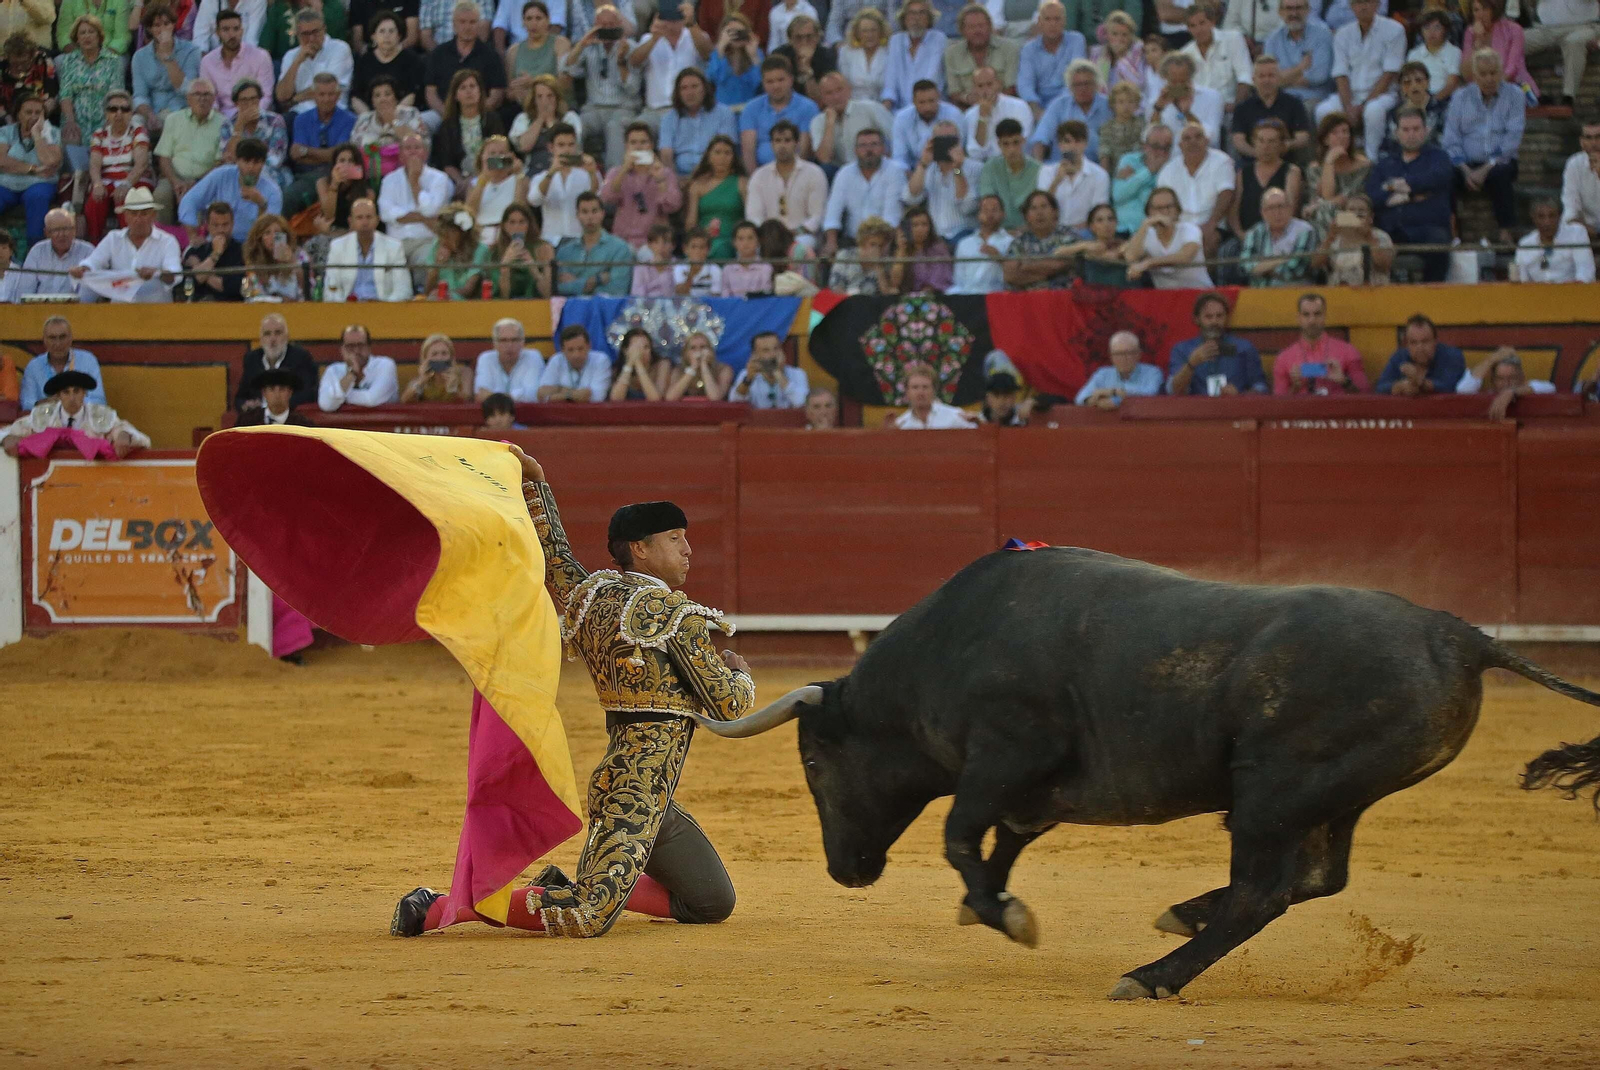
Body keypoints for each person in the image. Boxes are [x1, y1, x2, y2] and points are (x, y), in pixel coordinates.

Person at [394, 440, 757, 941]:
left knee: (711, 901)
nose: (688, 549)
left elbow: (556, 560)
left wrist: (535, 485)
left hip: (640, 791)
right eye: (674, 538)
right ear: (641, 549)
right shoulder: (674, 615)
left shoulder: (592, 599)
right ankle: (439, 907)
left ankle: (566, 885)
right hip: (636, 793)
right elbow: (730, 706)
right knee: (587, 915)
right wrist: (738, 672)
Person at [1442, 47, 1524, 246]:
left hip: (1499, 161)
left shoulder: (1515, 95)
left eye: (1494, 73)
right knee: (1444, 175)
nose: (1489, 79)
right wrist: (1466, 169)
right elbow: (1451, 138)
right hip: (1465, 163)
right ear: (1474, 76)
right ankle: (1452, 233)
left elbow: (1512, 139)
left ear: (1501, 72)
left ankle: (1505, 232)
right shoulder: (1460, 97)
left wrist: (1486, 168)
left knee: (1501, 173)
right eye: (1483, 74)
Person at [1366, 106, 1453, 282]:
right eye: (1405, 130)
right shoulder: (1385, 163)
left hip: (1427, 229)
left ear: (1425, 131)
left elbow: (1437, 178)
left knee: (1439, 242)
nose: (1411, 134)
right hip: (1390, 230)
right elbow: (1372, 195)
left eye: (1416, 129)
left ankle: (1432, 294)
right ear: (1397, 133)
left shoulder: (1439, 158)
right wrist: (1406, 193)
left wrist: (1404, 190)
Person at [1315, 0, 1403, 160]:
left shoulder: (1395, 30)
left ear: (1377, 4)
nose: (1363, 6)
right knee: (1323, 111)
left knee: (1373, 111)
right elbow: (1340, 73)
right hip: (1350, 95)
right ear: (1351, 6)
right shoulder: (1343, 33)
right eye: (1357, 2)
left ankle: (1372, 160)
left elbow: (1389, 73)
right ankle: (1331, 159)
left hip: (1383, 94)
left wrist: (1362, 107)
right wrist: (1349, 106)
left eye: (1368, 2)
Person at [72, 186, 184, 302]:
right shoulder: (113, 238)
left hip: (157, 313)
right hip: (120, 313)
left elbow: (175, 274)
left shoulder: (167, 241)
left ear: (153, 215)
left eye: (144, 214)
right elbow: (94, 262)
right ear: (125, 216)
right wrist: (83, 269)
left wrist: (156, 273)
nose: (138, 219)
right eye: (134, 214)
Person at [1, 371, 150, 458]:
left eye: (77, 391)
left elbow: (142, 439)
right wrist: (7, 438)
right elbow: (5, 432)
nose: (72, 398)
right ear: (59, 395)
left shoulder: (100, 415)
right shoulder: (43, 416)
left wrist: (126, 436)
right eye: (66, 392)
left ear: (84, 393)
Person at [563, 3, 642, 168]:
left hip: (623, 108)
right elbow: (568, 68)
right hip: (593, 108)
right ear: (594, 27)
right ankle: (570, 170)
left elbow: (633, 88)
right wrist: (581, 44)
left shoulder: (631, 48)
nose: (607, 29)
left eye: (611, 25)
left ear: (619, 26)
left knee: (614, 128)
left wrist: (621, 62)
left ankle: (613, 178)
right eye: (602, 25)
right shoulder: (588, 47)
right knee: (573, 126)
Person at [179, 137, 284, 241]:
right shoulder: (221, 175)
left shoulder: (273, 191)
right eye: (246, 161)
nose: (251, 167)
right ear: (237, 161)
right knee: (192, 256)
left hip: (250, 246)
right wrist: (193, 235)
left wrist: (261, 204)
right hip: (217, 241)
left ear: (263, 164)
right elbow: (189, 200)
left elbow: (272, 230)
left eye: (256, 162)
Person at [57, 15, 126, 173]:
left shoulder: (113, 61)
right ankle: (74, 186)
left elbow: (116, 96)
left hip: (105, 118)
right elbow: (65, 94)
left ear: (99, 36)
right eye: (82, 33)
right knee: (69, 137)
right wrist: (70, 121)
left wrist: (110, 123)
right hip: (76, 118)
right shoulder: (68, 61)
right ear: (77, 38)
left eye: (91, 32)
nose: (87, 36)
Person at [1156, 120, 1233, 257]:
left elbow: (1226, 193)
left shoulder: (1221, 161)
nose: (1193, 142)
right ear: (1180, 145)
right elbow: (1162, 202)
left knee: (1210, 240)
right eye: (1187, 138)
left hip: (1213, 224)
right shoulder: (1168, 170)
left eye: (1198, 137)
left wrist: (1212, 223)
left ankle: (1205, 280)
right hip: (1179, 226)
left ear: (1207, 141)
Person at [1167, 292, 1267, 395]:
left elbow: (1261, 387)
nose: (1214, 321)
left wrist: (1240, 396)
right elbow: (1173, 391)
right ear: (1197, 319)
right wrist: (1191, 364)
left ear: (1226, 317)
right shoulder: (1182, 350)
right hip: (1197, 409)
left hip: (1235, 408)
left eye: (1219, 316)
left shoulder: (1244, 348)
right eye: (1208, 317)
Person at [423, 2, 509, 122]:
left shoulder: (490, 55)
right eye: (462, 22)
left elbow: (497, 95)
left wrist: (471, 114)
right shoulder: (438, 54)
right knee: (421, 122)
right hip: (442, 115)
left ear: (479, 24)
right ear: (454, 24)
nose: (467, 27)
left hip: (480, 115)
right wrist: (447, 115)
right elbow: (430, 93)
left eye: (472, 22)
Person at [747, 119, 828, 246]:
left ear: (796, 143)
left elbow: (817, 216)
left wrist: (793, 233)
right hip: (769, 237)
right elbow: (754, 216)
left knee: (800, 247)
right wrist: (771, 234)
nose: (782, 146)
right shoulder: (759, 176)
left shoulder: (814, 173)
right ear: (772, 144)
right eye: (778, 141)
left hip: (803, 236)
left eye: (787, 140)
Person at [599, 122, 681, 247]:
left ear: (652, 145)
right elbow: (606, 198)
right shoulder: (616, 172)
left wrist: (660, 180)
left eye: (643, 142)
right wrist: (624, 170)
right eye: (633, 143)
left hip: (654, 243)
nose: (638, 147)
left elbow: (673, 206)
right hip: (623, 241)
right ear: (626, 146)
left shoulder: (666, 173)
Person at [431, 67, 508, 196]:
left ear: (480, 91)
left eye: (472, 86)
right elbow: (446, 163)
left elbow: (502, 155)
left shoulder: (493, 119)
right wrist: (461, 181)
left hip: (490, 174)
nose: (469, 91)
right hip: (459, 180)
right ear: (455, 95)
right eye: (463, 87)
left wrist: (478, 178)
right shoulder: (448, 126)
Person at [381, 131, 457, 263]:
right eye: (408, 148)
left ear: (426, 154)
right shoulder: (389, 180)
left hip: (426, 241)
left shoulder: (439, 178)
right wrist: (422, 218)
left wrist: (414, 181)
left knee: (426, 263)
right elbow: (386, 213)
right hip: (395, 242)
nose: (412, 152)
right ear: (400, 155)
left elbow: (430, 210)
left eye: (417, 148)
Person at [1271, 291, 1367, 394]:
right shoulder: (1283, 359)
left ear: (1324, 316)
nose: (1312, 320)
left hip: (1338, 409)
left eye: (1317, 314)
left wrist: (1344, 381)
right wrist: (1295, 387)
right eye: (1306, 315)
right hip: (1301, 409)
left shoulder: (1348, 352)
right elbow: (1279, 405)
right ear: (1298, 318)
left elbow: (1366, 396)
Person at [323, 195, 414, 300]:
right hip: (347, 310)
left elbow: (403, 289)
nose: (365, 222)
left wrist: (385, 308)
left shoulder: (394, 247)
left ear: (377, 220)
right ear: (350, 221)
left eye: (369, 217)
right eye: (359, 217)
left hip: (382, 310)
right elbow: (331, 288)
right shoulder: (337, 246)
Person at [0, 92, 61, 248]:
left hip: (40, 184)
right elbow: (1, 161)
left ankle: (35, 252)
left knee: (37, 197)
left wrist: (37, 135)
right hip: (7, 184)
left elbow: (51, 162)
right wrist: (33, 169)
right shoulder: (6, 132)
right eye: (28, 112)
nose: (34, 116)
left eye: (38, 112)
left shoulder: (52, 132)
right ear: (18, 115)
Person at [133, 4, 204, 134]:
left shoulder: (191, 51)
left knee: (172, 119)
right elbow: (140, 95)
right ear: (150, 28)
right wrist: (149, 115)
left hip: (181, 109)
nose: (162, 29)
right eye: (157, 25)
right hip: (153, 110)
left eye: (166, 24)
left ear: (173, 25)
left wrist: (168, 57)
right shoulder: (140, 56)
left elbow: (188, 90)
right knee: (135, 123)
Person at [1124, 184, 1212, 289]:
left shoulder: (1190, 229)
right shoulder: (1146, 234)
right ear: (1149, 211)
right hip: (1165, 297)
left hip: (1198, 293)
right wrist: (1145, 225)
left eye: (1169, 207)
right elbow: (1130, 256)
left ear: (1177, 210)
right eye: (1158, 208)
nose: (1165, 212)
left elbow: (1185, 256)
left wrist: (1148, 263)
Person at [527, 122, 601, 242]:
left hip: (580, 239)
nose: (567, 150)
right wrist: (551, 173)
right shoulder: (540, 177)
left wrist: (592, 173)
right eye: (561, 145)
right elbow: (534, 200)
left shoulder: (588, 173)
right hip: (551, 240)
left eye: (571, 145)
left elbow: (597, 198)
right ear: (551, 148)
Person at [659, 68, 737, 180]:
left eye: (694, 86)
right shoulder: (669, 118)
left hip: (715, 176)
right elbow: (666, 154)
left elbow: (726, 150)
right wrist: (674, 181)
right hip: (680, 177)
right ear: (678, 93)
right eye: (684, 88)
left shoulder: (724, 113)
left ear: (705, 89)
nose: (689, 93)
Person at [1302, 111, 1369, 240]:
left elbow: (1342, 199)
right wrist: (1329, 162)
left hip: (1355, 217)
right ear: (1325, 139)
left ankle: (1330, 253)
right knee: (1321, 213)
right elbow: (1323, 197)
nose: (1342, 136)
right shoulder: (1315, 169)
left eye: (1345, 131)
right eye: (1335, 133)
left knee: (1324, 211)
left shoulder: (1363, 166)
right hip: (1326, 217)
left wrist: (1321, 205)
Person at [1230, 55, 1311, 161]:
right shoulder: (1242, 108)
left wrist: (1285, 146)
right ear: (1254, 80)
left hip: (1286, 164)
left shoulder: (1294, 104)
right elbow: (1238, 141)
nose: (1266, 80)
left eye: (1271, 76)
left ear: (1279, 78)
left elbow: (1303, 137)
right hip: (1251, 164)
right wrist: (1259, 154)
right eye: (1262, 76)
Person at [277, 8, 355, 115]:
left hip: (333, 110)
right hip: (299, 113)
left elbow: (326, 88)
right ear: (297, 34)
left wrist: (295, 99)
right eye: (305, 34)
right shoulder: (291, 55)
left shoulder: (339, 49)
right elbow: (282, 96)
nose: (311, 38)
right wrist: (297, 62)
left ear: (324, 29)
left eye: (315, 32)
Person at [220, 79, 294, 193]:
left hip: (270, 172)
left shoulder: (275, 121)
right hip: (239, 172)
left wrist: (249, 167)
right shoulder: (227, 125)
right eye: (244, 100)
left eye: (253, 99)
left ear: (259, 100)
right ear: (236, 103)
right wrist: (239, 127)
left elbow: (275, 159)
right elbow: (229, 158)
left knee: (261, 176)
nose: (249, 104)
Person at [1523, 0, 1599, 109]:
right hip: (1545, 28)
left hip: (1584, 26)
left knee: (1574, 42)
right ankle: (1526, 93)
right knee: (1515, 40)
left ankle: (1568, 97)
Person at [20, 316, 106, 412]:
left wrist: (67, 401)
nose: (58, 343)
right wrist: (49, 403)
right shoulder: (33, 366)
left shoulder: (88, 360)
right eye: (52, 338)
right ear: (44, 340)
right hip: (47, 422)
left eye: (62, 337)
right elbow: (27, 403)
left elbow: (99, 401)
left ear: (71, 338)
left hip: (82, 421)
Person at [236, 311, 319, 412]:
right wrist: (246, 404)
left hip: (289, 418)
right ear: (261, 339)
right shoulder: (252, 359)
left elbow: (308, 394)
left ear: (287, 336)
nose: (273, 339)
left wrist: (274, 407)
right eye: (267, 334)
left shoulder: (301, 357)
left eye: (278, 333)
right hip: (259, 420)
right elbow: (239, 398)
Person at [1232, 118, 1302, 237]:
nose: (1266, 146)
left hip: (1279, 236)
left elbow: (1291, 209)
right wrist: (1240, 233)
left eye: (1272, 141)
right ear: (1254, 142)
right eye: (1261, 141)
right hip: (1246, 236)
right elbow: (1234, 210)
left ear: (1281, 145)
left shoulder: (1291, 172)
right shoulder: (1242, 173)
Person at [1030, 59, 1111, 161]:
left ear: (1096, 85)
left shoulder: (1109, 105)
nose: (1082, 88)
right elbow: (1041, 138)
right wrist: (1038, 170)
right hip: (1061, 167)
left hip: (1097, 169)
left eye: (1087, 84)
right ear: (1070, 87)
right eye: (1077, 85)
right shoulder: (1058, 105)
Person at [1179, 1, 1253, 110]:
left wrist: (1236, 108)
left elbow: (1245, 77)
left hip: (1231, 109)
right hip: (1199, 113)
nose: (1198, 30)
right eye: (1193, 26)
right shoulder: (1185, 54)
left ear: (1212, 22)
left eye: (1202, 23)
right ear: (1188, 29)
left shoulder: (1233, 39)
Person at [202, 9, 278, 115]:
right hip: (221, 118)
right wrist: (219, 118)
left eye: (236, 29)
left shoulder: (260, 56)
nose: (232, 35)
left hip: (256, 115)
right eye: (226, 29)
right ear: (217, 33)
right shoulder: (207, 61)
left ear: (242, 31)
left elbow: (266, 97)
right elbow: (210, 97)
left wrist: (246, 115)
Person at [685, 134, 748, 259]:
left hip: (733, 241)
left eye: (727, 153)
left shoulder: (741, 183)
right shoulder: (697, 186)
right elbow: (691, 223)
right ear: (709, 156)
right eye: (717, 152)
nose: (722, 157)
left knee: (720, 248)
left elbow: (749, 217)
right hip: (703, 241)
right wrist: (703, 233)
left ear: (733, 157)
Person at [943, 4, 1019, 109]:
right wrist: (969, 99)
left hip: (1004, 107)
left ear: (990, 26)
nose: (977, 31)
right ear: (962, 30)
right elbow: (954, 93)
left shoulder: (1009, 49)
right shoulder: (952, 53)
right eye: (971, 27)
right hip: (967, 109)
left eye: (981, 25)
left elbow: (1011, 88)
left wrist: (991, 102)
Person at [1038, 119, 1109, 229]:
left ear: (1085, 144)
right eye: (1067, 141)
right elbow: (1040, 209)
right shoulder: (1046, 172)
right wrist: (1056, 182)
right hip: (1051, 232)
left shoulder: (1100, 175)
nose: (1072, 146)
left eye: (1078, 141)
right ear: (1060, 145)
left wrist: (1071, 232)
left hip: (1086, 233)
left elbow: (1098, 214)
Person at [1264, 0, 1335, 108]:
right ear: (1280, 12)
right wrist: (1301, 68)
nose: (1294, 13)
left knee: (1305, 110)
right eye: (1289, 9)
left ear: (1308, 10)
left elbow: (1319, 76)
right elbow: (1269, 79)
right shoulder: (1272, 40)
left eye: (1298, 8)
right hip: (1281, 99)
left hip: (1313, 98)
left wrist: (1283, 79)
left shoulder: (1322, 36)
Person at [1312, 191, 1394, 284]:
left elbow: (1384, 266)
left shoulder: (1380, 236)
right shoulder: (1335, 239)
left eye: (1361, 211)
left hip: (1374, 292)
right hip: (1338, 292)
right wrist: (1330, 237)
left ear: (1371, 217)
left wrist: (1369, 237)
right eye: (1351, 210)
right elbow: (1316, 264)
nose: (1356, 214)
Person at [1003, 189, 1079, 289]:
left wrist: (1025, 266)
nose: (1039, 213)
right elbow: (1010, 276)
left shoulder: (1068, 234)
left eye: (1044, 206)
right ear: (1026, 216)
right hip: (1029, 300)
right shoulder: (1019, 242)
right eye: (1033, 208)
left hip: (1063, 297)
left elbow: (1060, 264)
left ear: (1055, 212)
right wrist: (1050, 273)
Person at [1374, 313, 1465, 396]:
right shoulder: (1399, 357)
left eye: (1425, 341)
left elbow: (1451, 386)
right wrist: (1401, 386)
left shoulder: (1452, 356)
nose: (1420, 348)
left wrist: (1420, 382)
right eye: (1413, 343)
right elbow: (1380, 387)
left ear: (1435, 341)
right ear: (1407, 344)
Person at [509, 73, 582, 175]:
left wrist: (551, 121)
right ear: (533, 100)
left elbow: (575, 145)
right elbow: (524, 146)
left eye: (550, 96)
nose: (545, 101)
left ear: (557, 98)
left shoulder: (570, 117)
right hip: (534, 172)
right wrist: (540, 119)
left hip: (566, 170)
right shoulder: (523, 119)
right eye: (539, 97)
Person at [353, 11, 427, 111]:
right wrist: (369, 117)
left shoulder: (411, 60)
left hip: (403, 114)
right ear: (373, 36)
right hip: (370, 116)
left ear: (399, 36)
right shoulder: (365, 60)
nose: (387, 36)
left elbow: (413, 94)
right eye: (382, 31)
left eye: (391, 31)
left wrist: (391, 117)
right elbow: (356, 96)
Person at [1146, 52, 1224, 148]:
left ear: (1191, 76)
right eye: (1173, 82)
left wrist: (1187, 113)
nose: (1179, 86)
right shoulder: (1155, 102)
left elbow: (1212, 139)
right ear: (1165, 78)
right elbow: (1148, 139)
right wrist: (1158, 110)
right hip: (1170, 159)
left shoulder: (1212, 97)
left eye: (1183, 81)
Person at [476, 199, 553, 296]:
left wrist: (534, 269)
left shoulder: (544, 248)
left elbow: (548, 294)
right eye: (512, 222)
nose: (517, 227)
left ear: (529, 224)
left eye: (522, 222)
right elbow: (503, 296)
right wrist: (505, 267)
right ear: (504, 226)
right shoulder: (494, 251)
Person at [1457, 345, 1556, 420]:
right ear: (1493, 380)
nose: (1506, 383)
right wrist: (1491, 360)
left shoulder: (1526, 390)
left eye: (1512, 378)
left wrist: (1512, 392)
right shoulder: (1488, 393)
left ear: (1522, 378)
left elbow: (1549, 387)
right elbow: (1463, 390)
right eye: (1500, 379)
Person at [503, 0, 571, 109]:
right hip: (524, 106)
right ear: (523, 22)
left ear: (548, 20)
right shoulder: (513, 51)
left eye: (538, 18)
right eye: (529, 19)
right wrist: (517, 93)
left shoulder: (560, 44)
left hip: (555, 106)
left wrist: (533, 82)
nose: (533, 23)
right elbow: (508, 91)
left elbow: (565, 83)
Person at [317, 322, 400, 409]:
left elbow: (372, 400)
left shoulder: (385, 365)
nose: (356, 351)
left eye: (361, 345)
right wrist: (352, 374)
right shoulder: (333, 370)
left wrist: (338, 397)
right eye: (350, 346)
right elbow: (326, 405)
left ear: (369, 347)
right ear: (342, 350)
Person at [1514, 196, 1596, 283]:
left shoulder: (1576, 233)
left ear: (1559, 216)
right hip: (1537, 294)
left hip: (1572, 292)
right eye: (1541, 217)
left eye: (1552, 216)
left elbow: (1585, 272)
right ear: (1533, 218)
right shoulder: (1525, 244)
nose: (1547, 222)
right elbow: (1521, 281)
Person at [974, 117, 1037, 230]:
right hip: (998, 231)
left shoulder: (1038, 169)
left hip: (1031, 231)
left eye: (1015, 142)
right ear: (999, 144)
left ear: (1023, 140)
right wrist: (957, 170)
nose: (1011, 149)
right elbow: (988, 203)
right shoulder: (990, 167)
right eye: (1006, 144)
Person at [1074, 330, 1163, 408]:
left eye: (1129, 353)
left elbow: (1150, 395)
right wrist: (1097, 401)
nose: (1123, 358)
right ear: (1111, 356)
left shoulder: (1153, 372)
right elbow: (1080, 398)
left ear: (1139, 354)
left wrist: (1113, 394)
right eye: (1118, 354)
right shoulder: (1103, 373)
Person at [1111, 122, 1173, 233]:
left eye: (1166, 147)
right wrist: (1149, 171)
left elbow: (1153, 202)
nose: (1161, 152)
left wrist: (1134, 179)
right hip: (1123, 229)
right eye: (1156, 146)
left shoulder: (1173, 168)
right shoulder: (1129, 160)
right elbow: (1118, 195)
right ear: (1145, 146)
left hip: (1154, 231)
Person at [179, 200, 248, 300]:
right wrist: (215, 255)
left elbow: (235, 287)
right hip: (199, 309)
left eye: (225, 225)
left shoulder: (243, 252)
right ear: (208, 226)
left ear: (232, 224)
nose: (220, 230)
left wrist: (199, 268)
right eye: (215, 225)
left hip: (232, 309)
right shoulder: (195, 251)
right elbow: (190, 284)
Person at [19, 209, 94, 298]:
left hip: (76, 308)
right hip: (40, 308)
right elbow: (25, 290)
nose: (62, 234)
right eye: (56, 230)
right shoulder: (37, 251)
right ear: (47, 233)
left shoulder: (88, 251)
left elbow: (90, 292)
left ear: (74, 230)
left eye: (67, 229)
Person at [964, 65, 1031, 165]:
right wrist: (983, 117)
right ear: (974, 89)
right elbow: (975, 152)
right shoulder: (970, 115)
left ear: (998, 84)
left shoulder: (1019, 106)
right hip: (985, 167)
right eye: (980, 86)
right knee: (958, 170)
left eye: (989, 84)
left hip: (1017, 162)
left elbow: (1021, 141)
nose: (985, 90)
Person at [1378, 60, 1446, 157]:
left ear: (1428, 82)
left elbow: (1443, 143)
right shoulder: (1393, 113)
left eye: (1418, 80)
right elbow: (1387, 146)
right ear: (1402, 87)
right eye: (1407, 82)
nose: (1414, 86)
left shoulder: (1441, 109)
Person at [473, 316, 547, 400]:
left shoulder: (533, 357)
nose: (509, 345)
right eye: (503, 340)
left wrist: (495, 398)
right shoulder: (486, 359)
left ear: (522, 342)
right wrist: (516, 396)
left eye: (514, 340)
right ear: (495, 344)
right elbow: (481, 395)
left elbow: (532, 394)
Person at [352, 75, 428, 155]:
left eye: (387, 94)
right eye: (377, 96)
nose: (382, 99)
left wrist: (394, 121)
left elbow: (423, 146)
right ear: (373, 101)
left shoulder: (411, 114)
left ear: (396, 98)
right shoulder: (364, 119)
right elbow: (355, 150)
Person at [537, 322, 613, 401]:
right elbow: (542, 394)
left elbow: (597, 398)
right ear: (562, 350)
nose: (576, 355)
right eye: (570, 350)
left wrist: (558, 392)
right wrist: (572, 394)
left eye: (580, 349)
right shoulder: (556, 360)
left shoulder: (601, 360)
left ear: (589, 346)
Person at [732, 330, 808, 408]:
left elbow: (801, 403)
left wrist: (778, 373)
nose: (773, 354)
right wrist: (749, 379)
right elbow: (734, 402)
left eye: (776, 348)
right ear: (755, 354)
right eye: (766, 350)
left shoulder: (797, 374)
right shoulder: (746, 374)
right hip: (759, 419)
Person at [773, 14, 837, 104]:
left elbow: (823, 100)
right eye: (798, 38)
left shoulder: (826, 55)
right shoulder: (779, 55)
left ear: (817, 37)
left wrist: (807, 70)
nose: (804, 42)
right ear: (790, 39)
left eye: (809, 37)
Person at [891, 360, 975, 427]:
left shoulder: (955, 417)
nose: (920, 392)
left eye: (925, 387)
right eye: (915, 387)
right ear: (907, 391)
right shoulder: (901, 424)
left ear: (934, 390)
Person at [888, 204, 952, 292]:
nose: (920, 229)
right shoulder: (897, 249)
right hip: (904, 298)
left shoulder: (938, 249)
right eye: (915, 225)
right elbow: (895, 283)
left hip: (933, 296)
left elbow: (940, 279)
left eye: (924, 224)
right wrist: (901, 250)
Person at [827, 213, 896, 291]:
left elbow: (887, 293)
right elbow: (836, 286)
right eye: (873, 244)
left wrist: (878, 267)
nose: (877, 250)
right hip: (846, 300)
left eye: (881, 245)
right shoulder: (845, 255)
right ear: (862, 242)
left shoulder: (886, 262)